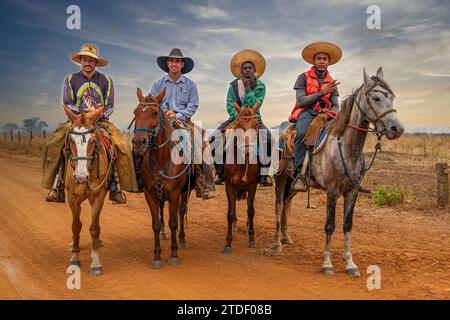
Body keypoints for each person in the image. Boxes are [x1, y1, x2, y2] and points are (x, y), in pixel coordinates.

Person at [42, 44, 138, 203]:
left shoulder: (106, 81)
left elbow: (109, 106)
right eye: (85, 59)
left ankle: (116, 186)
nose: (88, 63)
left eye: (91, 60)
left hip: (101, 121)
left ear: (96, 62)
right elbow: (68, 103)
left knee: (122, 146)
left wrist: (96, 117)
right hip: (76, 121)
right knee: (55, 143)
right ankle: (57, 185)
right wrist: (82, 117)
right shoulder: (70, 79)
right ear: (80, 61)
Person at [146, 48, 215, 200]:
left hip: (184, 121)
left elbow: (193, 104)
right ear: (167, 64)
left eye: (177, 61)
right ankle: (141, 178)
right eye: (172, 61)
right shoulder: (158, 84)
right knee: (143, 140)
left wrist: (178, 115)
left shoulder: (191, 85)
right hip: (162, 121)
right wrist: (165, 114)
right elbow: (154, 104)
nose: (174, 64)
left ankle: (204, 182)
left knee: (200, 141)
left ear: (182, 64)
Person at [214, 49, 273, 187]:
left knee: (269, 140)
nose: (247, 70)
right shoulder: (233, 86)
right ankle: (220, 173)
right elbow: (229, 104)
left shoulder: (260, 86)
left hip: (254, 118)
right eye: (244, 68)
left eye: (250, 68)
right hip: (236, 118)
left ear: (254, 70)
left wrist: (248, 90)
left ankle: (264, 175)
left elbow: (256, 105)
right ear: (241, 71)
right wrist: (239, 116)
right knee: (215, 136)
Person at [289, 42, 342, 191]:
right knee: (301, 135)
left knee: (341, 136)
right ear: (314, 61)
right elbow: (301, 101)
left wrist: (333, 113)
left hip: (326, 114)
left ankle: (339, 172)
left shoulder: (332, 81)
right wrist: (322, 92)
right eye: (318, 58)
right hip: (307, 112)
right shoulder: (303, 77)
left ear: (328, 62)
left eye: (324, 59)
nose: (321, 61)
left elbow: (335, 104)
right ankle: (300, 174)